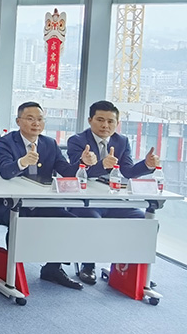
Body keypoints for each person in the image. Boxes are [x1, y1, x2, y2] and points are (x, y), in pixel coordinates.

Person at [0, 102, 88, 288]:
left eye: (40, 119)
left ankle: (52, 268)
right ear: (18, 121)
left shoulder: (49, 143)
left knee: (71, 222)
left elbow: (67, 171)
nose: (36, 123)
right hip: (10, 204)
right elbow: (5, 171)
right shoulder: (6, 142)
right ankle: (13, 271)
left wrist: (83, 163)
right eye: (30, 119)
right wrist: (22, 162)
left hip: (42, 203)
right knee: (19, 224)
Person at [64, 100, 159, 285]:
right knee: (94, 223)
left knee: (145, 223)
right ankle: (88, 265)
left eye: (110, 121)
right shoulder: (77, 140)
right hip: (86, 201)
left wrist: (147, 165)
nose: (105, 125)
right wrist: (101, 165)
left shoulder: (121, 141)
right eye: (100, 120)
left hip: (113, 200)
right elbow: (75, 172)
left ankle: (130, 269)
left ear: (117, 123)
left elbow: (128, 171)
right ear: (90, 120)